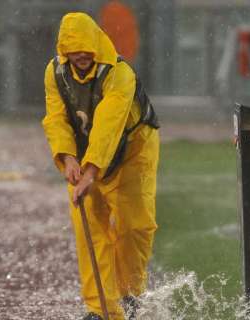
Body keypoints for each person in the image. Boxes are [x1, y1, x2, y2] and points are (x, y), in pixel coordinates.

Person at [42, 12, 160, 320]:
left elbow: (109, 126)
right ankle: (101, 310)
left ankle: (130, 294)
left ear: (97, 43)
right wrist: (67, 158)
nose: (81, 55)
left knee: (134, 226)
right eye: (73, 49)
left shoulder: (119, 74)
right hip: (85, 153)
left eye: (86, 48)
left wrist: (91, 172)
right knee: (89, 230)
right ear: (63, 49)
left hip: (133, 150)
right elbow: (56, 119)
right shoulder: (55, 72)